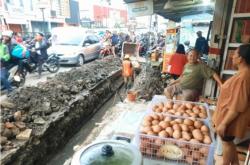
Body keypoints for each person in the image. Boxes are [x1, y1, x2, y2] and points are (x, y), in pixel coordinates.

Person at [212, 44, 250, 165]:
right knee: (229, 143)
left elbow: (237, 105)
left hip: (229, 119)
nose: (232, 57)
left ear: (241, 58)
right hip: (227, 116)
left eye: (235, 54)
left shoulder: (244, 76)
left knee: (226, 143)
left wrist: (224, 123)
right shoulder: (242, 73)